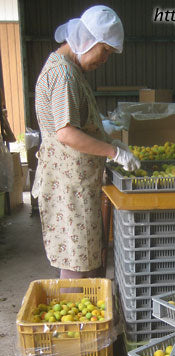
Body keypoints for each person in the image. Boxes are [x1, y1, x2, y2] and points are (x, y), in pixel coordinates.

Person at [32, 5, 140, 279]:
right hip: (67, 187)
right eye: (105, 51)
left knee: (86, 254)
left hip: (78, 183)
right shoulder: (63, 75)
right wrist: (114, 151)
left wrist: (112, 141)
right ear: (86, 40)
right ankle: (77, 320)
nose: (105, 59)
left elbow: (82, 126)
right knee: (75, 258)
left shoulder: (71, 71)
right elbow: (66, 132)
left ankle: (89, 313)